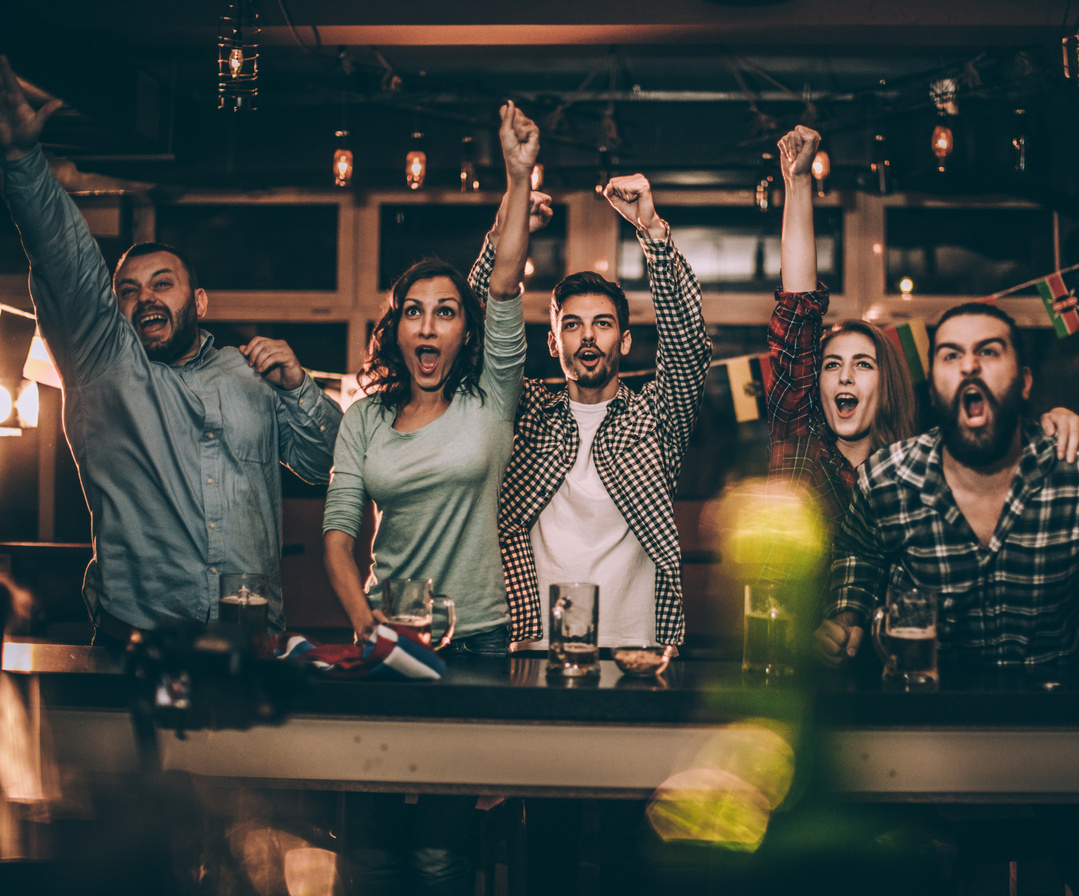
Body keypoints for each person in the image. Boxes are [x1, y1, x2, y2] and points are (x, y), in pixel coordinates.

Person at [0, 56, 341, 645]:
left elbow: (327, 463)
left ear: (199, 301)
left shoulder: (248, 373)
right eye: (128, 290)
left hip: (250, 634)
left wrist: (300, 388)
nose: (145, 298)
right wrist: (23, 165)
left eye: (163, 283)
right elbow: (66, 261)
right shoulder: (101, 367)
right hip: (138, 640)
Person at [320, 101, 540, 896]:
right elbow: (339, 538)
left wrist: (516, 179)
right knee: (372, 845)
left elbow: (507, 276)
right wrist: (366, 623)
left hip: (478, 640)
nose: (429, 323)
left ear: (464, 333)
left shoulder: (492, 400)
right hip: (383, 641)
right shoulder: (365, 419)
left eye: (446, 311)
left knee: (447, 852)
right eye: (414, 310)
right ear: (396, 327)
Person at [819, 301, 1079, 666]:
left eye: (988, 351)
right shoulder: (887, 479)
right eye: (950, 355)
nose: (969, 365)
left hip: (1057, 723)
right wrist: (846, 615)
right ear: (933, 391)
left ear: (1023, 382)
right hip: (930, 720)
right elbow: (860, 553)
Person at [770, 124, 1079, 538]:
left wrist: (1057, 422)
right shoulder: (799, 446)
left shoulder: (921, 469)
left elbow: (993, 437)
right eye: (832, 364)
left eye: (863, 364)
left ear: (887, 381)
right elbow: (797, 310)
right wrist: (797, 183)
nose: (845, 376)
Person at [471, 173, 711, 650]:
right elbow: (482, 332)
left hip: (637, 648)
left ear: (623, 341)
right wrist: (504, 236)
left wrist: (652, 232)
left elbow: (687, 348)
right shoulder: (525, 412)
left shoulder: (654, 420)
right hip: (534, 647)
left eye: (602, 325)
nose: (586, 337)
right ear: (553, 341)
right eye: (573, 325)